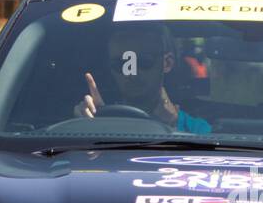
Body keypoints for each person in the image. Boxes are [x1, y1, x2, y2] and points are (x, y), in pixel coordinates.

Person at [73, 23, 211, 134]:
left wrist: (174, 127)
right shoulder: (97, 120)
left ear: (167, 63)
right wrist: (88, 127)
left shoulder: (198, 131)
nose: (131, 72)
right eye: (121, 64)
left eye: (144, 62)